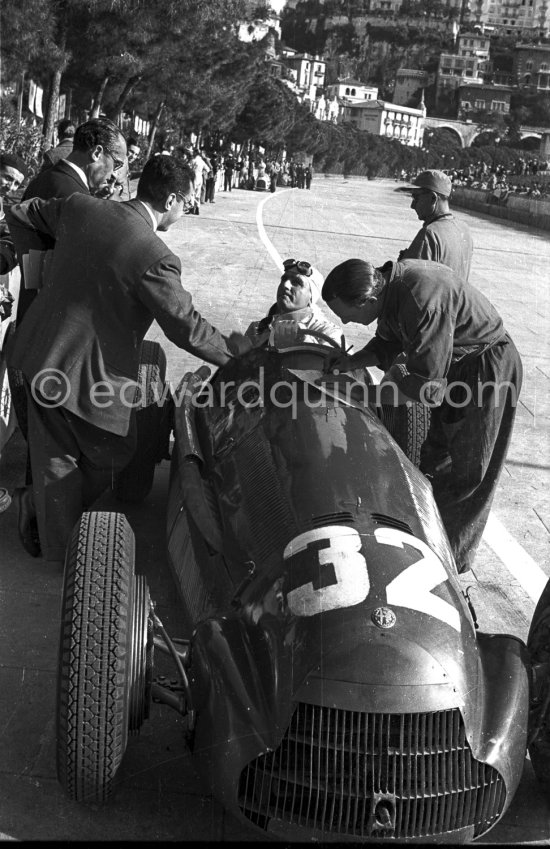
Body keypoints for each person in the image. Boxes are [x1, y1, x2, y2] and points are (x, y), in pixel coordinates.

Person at [6, 155, 251, 564]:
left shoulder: (81, 206)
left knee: (54, 457)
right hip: (85, 375)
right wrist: (240, 360)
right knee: (117, 450)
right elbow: (186, 326)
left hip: (36, 351)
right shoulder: (153, 255)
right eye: (186, 202)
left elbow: (21, 211)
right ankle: (68, 559)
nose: (186, 210)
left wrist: (36, 276)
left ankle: (43, 517)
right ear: (171, 198)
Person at [321, 257, 522, 575]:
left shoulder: (419, 296)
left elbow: (426, 387)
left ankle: (450, 563)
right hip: (455, 367)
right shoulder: (389, 290)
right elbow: (388, 342)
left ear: (369, 300)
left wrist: (365, 399)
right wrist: (349, 362)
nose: (346, 324)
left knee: (468, 471)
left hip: (486, 369)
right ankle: (426, 534)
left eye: (349, 316)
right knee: (434, 459)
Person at [246, 259, 342, 349]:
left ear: (311, 297)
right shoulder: (260, 328)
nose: (285, 285)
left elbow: (332, 364)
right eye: (284, 279)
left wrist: (303, 339)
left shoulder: (328, 333)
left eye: (296, 283)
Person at [397, 170, 473, 282]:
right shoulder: (464, 229)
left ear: (433, 198)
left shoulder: (430, 234)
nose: (412, 205)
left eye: (416, 198)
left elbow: (409, 284)